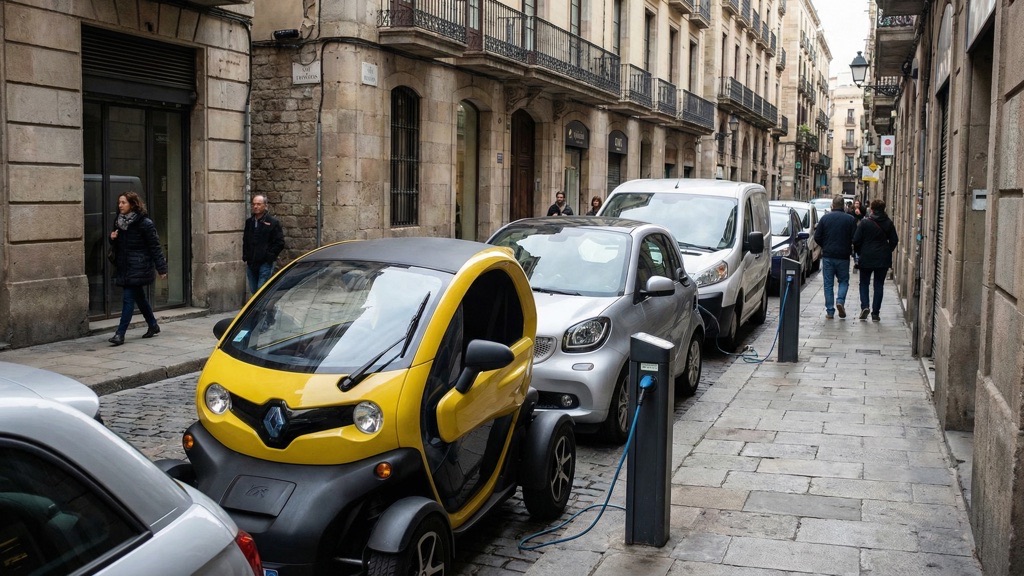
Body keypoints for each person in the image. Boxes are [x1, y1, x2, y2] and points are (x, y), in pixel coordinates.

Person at [108, 192, 168, 346]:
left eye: (123, 202)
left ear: (132, 204)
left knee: (128, 299)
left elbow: (155, 246)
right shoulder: (119, 221)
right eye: (119, 202)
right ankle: (153, 325)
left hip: (139, 266)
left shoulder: (145, 223)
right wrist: (112, 238)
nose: (120, 205)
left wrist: (161, 268)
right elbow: (118, 245)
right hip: (125, 265)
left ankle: (120, 334)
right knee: (139, 298)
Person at [853, 198, 899, 321]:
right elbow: (894, 240)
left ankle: (865, 306)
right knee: (879, 285)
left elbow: (856, 240)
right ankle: (875, 314)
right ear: (883, 209)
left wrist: (859, 252)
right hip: (882, 259)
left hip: (866, 257)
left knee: (864, 283)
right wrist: (887, 250)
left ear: (872, 209)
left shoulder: (864, 223)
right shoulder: (888, 223)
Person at [813, 195, 857, 320]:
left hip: (828, 256)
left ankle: (830, 311)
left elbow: (817, 237)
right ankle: (840, 301)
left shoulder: (825, 218)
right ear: (843, 206)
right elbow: (855, 237)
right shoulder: (850, 219)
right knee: (843, 281)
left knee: (828, 284)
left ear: (832, 205)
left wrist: (825, 245)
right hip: (843, 256)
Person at [243, 194, 285, 294]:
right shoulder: (249, 222)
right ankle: (262, 308)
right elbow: (245, 240)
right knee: (254, 292)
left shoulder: (272, 222)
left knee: (260, 292)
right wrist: (246, 255)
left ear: (265, 206)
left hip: (265, 263)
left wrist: (269, 256)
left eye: (258, 204)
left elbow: (279, 242)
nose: (256, 206)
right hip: (251, 263)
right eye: (254, 204)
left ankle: (262, 309)